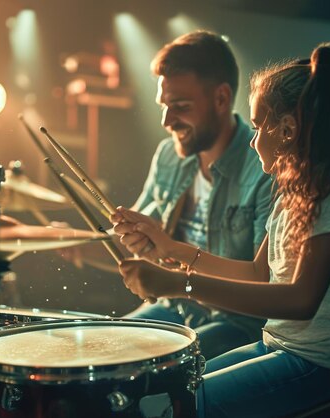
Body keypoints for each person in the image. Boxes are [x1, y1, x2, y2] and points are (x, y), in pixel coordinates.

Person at [113, 42, 330, 417]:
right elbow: (258, 273)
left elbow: (301, 301)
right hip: (278, 345)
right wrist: (172, 249)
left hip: (317, 364)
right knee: (175, 389)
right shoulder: (290, 196)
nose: (252, 141)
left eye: (256, 127)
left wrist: (180, 285)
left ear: (286, 129)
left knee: (186, 404)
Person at [88, 30, 272, 359]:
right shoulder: (169, 156)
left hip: (237, 322)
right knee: (102, 349)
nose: (167, 120)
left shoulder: (262, 169)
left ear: (221, 98)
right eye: (164, 105)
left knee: (163, 370)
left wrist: (172, 259)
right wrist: (79, 242)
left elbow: (264, 284)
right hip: (176, 306)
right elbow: (136, 236)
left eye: (181, 106)